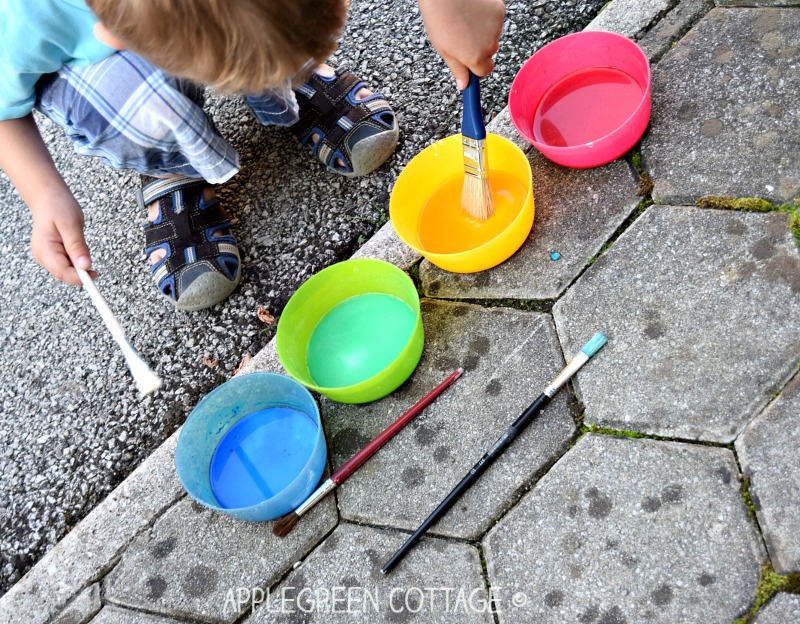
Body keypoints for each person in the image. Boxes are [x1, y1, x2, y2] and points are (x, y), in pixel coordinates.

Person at [0, 0, 505, 310]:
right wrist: (43, 194)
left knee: (264, 21)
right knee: (132, 100)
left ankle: (289, 73)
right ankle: (170, 165)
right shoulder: (25, 15)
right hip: (99, 65)